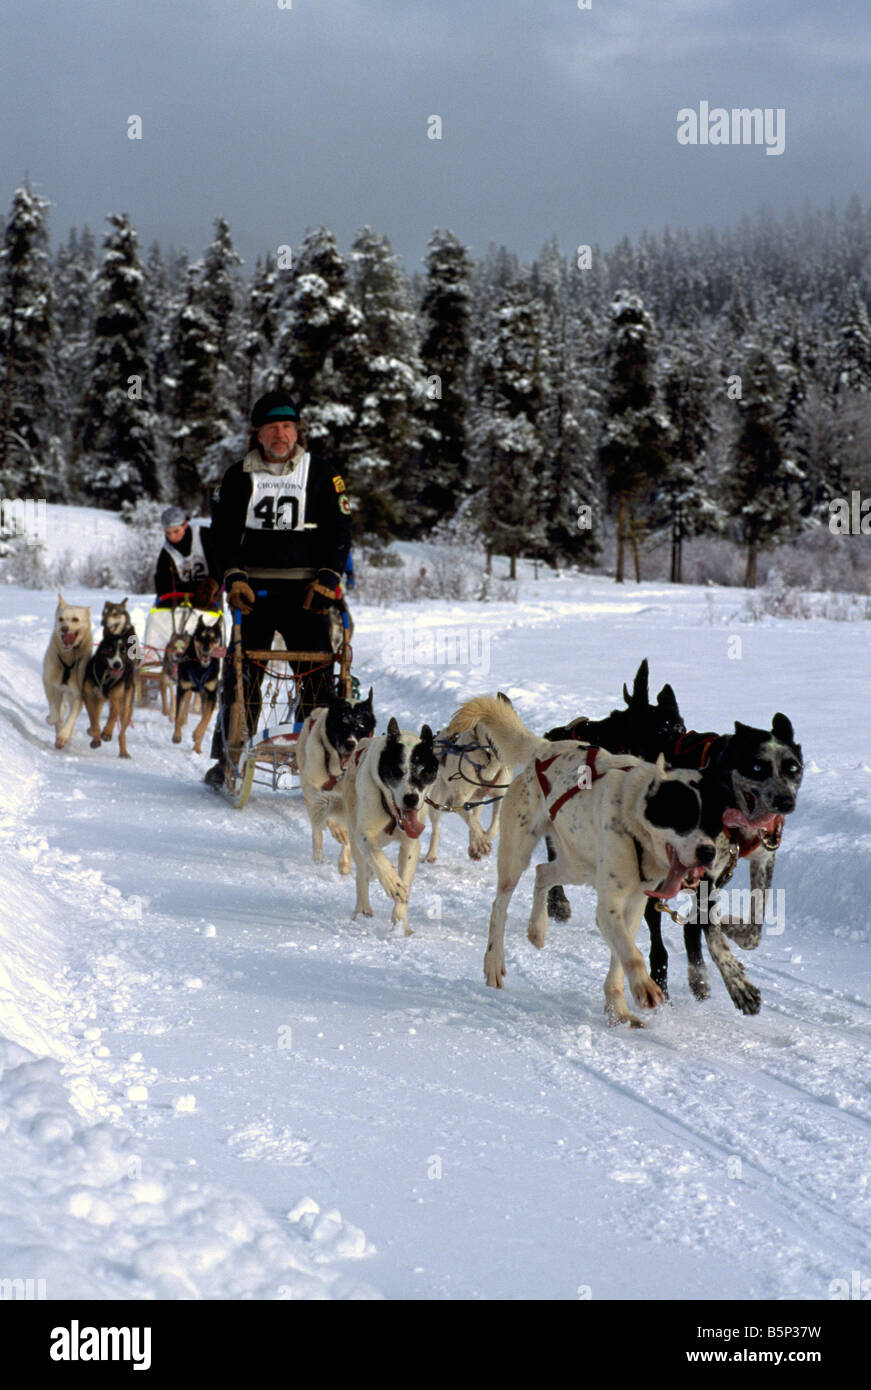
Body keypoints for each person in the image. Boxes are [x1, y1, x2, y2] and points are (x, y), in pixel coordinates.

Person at [203, 389, 352, 788]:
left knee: (319, 674)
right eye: (272, 428)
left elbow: (341, 530)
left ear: (297, 431)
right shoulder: (238, 475)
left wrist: (329, 577)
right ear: (259, 434)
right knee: (241, 673)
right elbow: (221, 534)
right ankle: (228, 755)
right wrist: (232, 575)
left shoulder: (322, 473)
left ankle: (320, 758)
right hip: (253, 593)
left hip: (308, 592)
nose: (281, 434)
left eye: (287, 426)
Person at [154, 506, 219, 610]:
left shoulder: (204, 536)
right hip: (183, 597)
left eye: (176, 531)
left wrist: (213, 585)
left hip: (210, 593)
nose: (172, 537)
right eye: (168, 533)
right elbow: (162, 582)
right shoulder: (167, 552)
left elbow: (220, 563)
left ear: (185, 525)